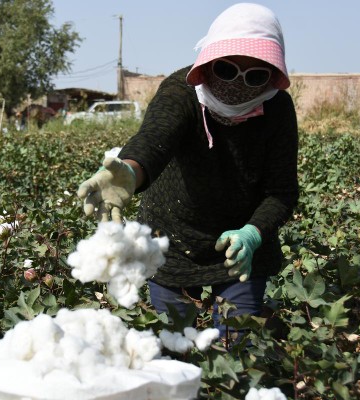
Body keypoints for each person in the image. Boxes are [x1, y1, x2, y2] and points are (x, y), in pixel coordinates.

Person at [77, 3, 298, 340]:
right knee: (172, 346)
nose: (238, 84)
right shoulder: (181, 92)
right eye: (225, 69)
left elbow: (281, 191)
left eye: (254, 76)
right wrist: (130, 172)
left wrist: (252, 234)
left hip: (241, 249)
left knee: (234, 348)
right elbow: (155, 138)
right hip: (175, 240)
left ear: (271, 77)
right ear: (207, 64)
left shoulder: (278, 108)